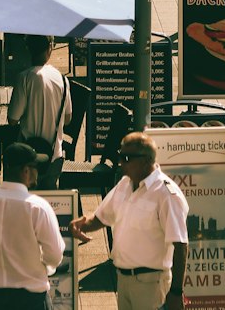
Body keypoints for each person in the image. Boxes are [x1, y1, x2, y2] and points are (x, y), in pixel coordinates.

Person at [69, 132, 188, 310]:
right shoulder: (124, 184)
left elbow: (180, 245)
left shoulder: (165, 194)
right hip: (123, 280)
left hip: (151, 284)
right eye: (120, 156)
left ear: (146, 161)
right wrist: (83, 224)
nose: (121, 163)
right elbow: (102, 217)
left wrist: (176, 292)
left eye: (126, 158)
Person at [0, 141, 65, 308]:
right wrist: (40, 268)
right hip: (31, 299)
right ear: (26, 171)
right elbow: (54, 253)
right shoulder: (37, 207)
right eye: (35, 167)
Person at [7, 36, 72, 182]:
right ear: (50, 48)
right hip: (54, 157)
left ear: (28, 49)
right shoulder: (63, 80)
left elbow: (12, 119)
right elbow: (68, 119)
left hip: (27, 159)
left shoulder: (24, 78)